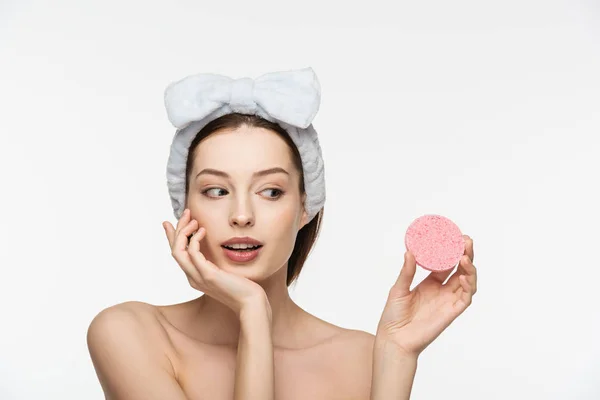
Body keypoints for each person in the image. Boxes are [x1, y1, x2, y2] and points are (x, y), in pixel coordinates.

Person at [86, 67, 478, 400]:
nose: (241, 215)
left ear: (306, 205)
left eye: (271, 191)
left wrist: (397, 355)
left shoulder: (362, 356)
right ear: (184, 205)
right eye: (216, 191)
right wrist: (252, 312)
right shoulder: (128, 334)